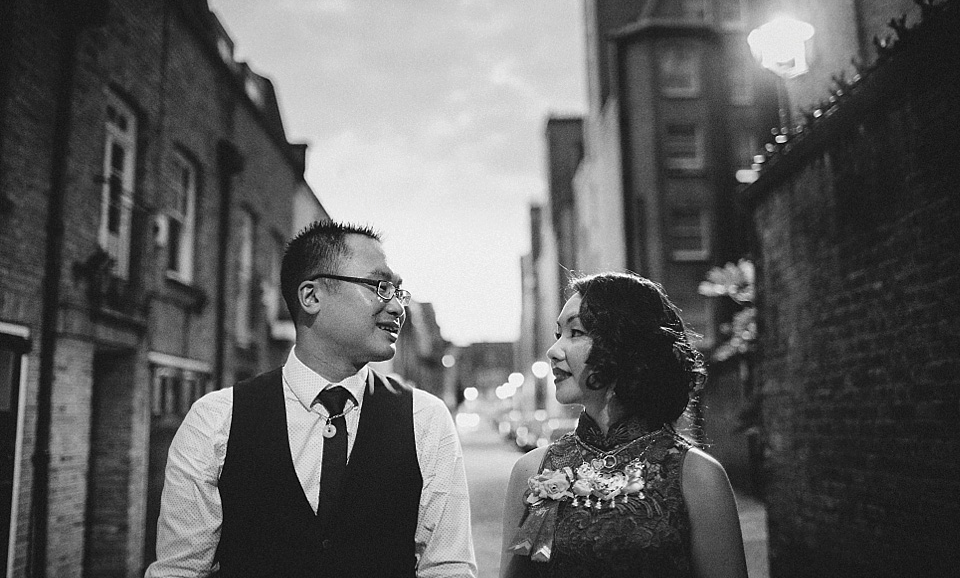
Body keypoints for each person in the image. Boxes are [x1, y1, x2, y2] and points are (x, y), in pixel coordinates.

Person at [147, 220, 477, 578]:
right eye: (380, 287)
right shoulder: (216, 420)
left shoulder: (425, 418)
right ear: (311, 296)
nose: (397, 307)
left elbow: (448, 567)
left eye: (398, 292)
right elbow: (179, 570)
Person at [500, 272, 747, 578]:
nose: (554, 351)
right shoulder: (532, 470)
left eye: (575, 333)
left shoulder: (697, 476)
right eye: (557, 335)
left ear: (623, 344)